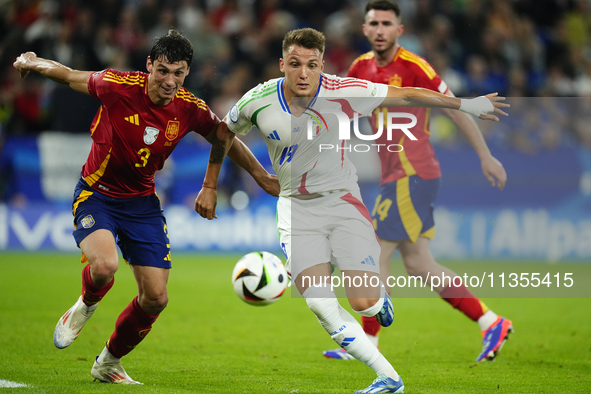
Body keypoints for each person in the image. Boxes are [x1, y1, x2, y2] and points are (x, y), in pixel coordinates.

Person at [195, 27, 508, 393]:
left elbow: (407, 95)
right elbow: (223, 133)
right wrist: (217, 183)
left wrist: (465, 104)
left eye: (312, 65)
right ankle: (388, 378)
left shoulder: (344, 91)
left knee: (362, 302)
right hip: (295, 211)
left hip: (341, 202)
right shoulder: (257, 100)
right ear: (282, 64)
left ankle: (378, 303)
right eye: (295, 64)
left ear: (322, 65)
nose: (303, 73)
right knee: (321, 305)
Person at [13, 29, 278, 385]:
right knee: (105, 266)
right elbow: (68, 75)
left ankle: (108, 362)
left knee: (155, 298)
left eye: (179, 72)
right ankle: (86, 305)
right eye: (164, 70)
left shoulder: (189, 107)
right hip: (97, 193)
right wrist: (32, 61)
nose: (170, 81)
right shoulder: (117, 85)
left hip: (142, 203)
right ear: (149, 65)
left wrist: (260, 177)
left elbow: (223, 136)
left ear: (187, 72)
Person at [322, 0, 513, 364]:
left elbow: (455, 107)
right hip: (396, 177)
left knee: (374, 252)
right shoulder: (359, 67)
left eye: (386, 23)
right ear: (364, 29)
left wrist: (485, 156)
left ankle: (368, 343)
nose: (379, 29)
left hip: (414, 174)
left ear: (399, 30)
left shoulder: (415, 67)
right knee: (419, 264)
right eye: (373, 23)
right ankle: (491, 322)